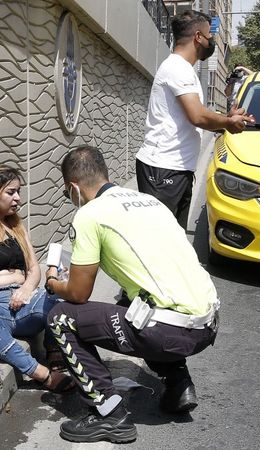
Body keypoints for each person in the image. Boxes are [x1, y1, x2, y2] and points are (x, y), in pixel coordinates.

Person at [44, 146, 219, 443]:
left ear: (73, 188)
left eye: (66, 193)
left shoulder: (89, 214)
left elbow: (78, 293)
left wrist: (52, 282)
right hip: (207, 324)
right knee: (130, 300)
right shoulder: (149, 201)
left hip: (169, 331)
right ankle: (178, 385)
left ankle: (109, 414)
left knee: (60, 317)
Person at [136, 10, 254, 229]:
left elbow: (196, 114)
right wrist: (228, 123)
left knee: (175, 238)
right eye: (210, 36)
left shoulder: (182, 69)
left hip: (176, 169)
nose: (212, 42)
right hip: (163, 169)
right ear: (198, 37)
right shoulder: (177, 68)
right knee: (159, 238)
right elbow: (197, 115)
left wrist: (225, 119)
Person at [0, 165, 71, 390]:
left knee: (60, 293)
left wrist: (26, 289)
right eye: (11, 192)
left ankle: (54, 350)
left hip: (26, 304)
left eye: (18, 191)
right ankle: (41, 373)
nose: (18, 198)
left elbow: (34, 269)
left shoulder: (16, 226)